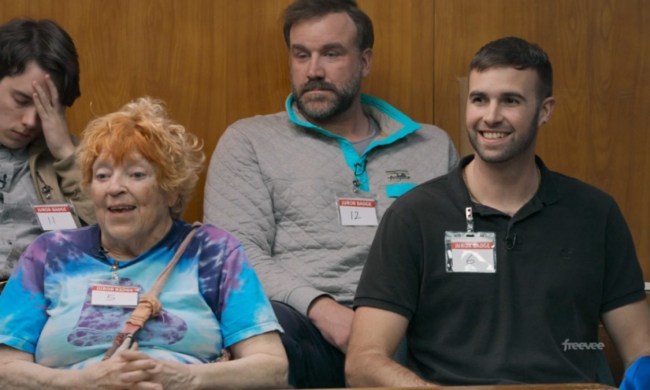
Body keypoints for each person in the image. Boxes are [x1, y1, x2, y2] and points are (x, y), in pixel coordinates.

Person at [346, 36, 650, 387]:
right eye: (479, 99)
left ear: (545, 110)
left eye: (511, 100)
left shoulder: (596, 214)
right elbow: (363, 363)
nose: (491, 116)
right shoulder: (413, 216)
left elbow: (641, 349)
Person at [203, 0, 458, 387]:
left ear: (365, 61)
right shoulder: (250, 141)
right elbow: (236, 252)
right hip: (305, 326)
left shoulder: (431, 146)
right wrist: (321, 307)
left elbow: (459, 248)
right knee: (258, 339)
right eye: (301, 55)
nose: (313, 71)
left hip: (416, 327)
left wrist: (383, 330)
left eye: (331, 54)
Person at [0, 97, 288, 389]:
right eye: (102, 175)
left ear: (171, 191)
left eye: (136, 174)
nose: (115, 188)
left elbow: (272, 367)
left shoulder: (212, 251)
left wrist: (185, 379)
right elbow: (5, 368)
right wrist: (82, 383)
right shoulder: (50, 253)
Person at [0, 18, 95, 293]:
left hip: (43, 300)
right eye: (20, 100)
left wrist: (65, 152)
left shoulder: (72, 160)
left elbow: (112, 237)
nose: (30, 121)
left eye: (45, 109)